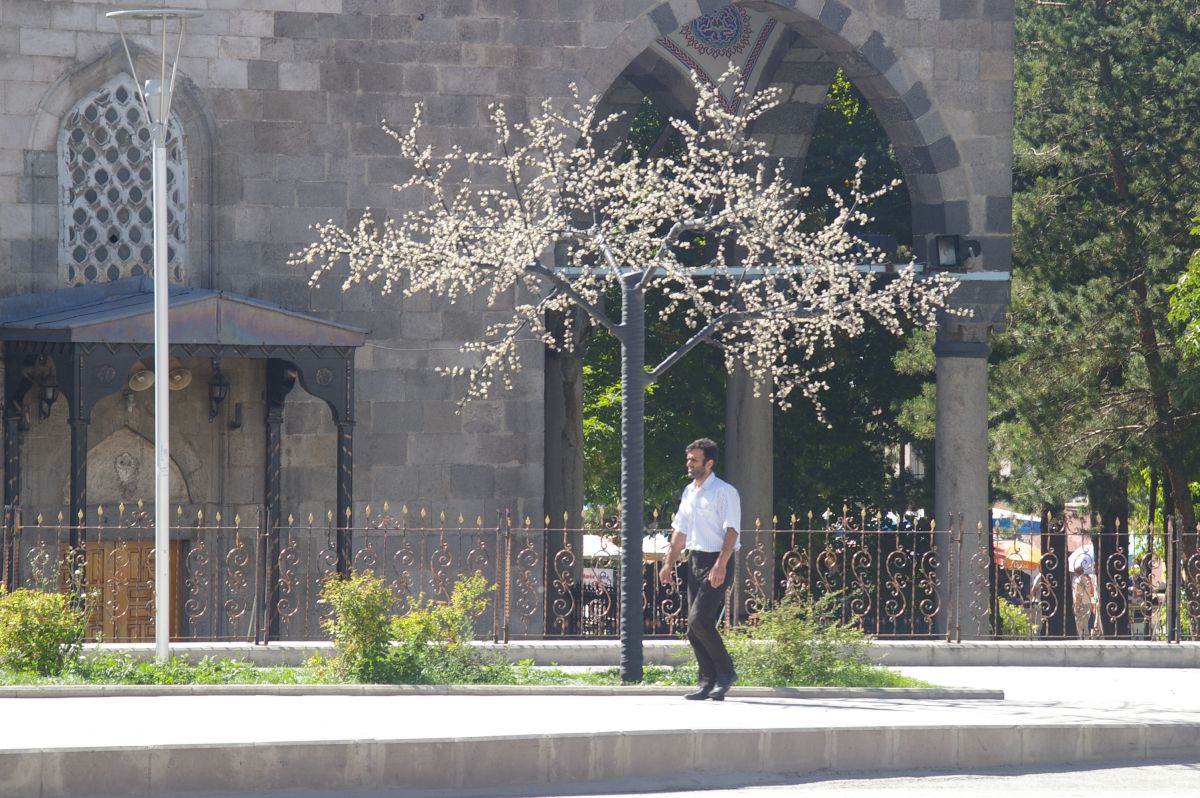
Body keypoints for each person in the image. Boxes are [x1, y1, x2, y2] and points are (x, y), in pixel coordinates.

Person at [659, 438, 741, 701]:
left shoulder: (724, 492)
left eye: (694, 460)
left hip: (718, 560)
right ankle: (707, 681)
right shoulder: (689, 492)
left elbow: (731, 531)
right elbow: (680, 531)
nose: (689, 463)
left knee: (699, 620)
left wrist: (721, 564)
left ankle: (726, 672)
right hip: (695, 559)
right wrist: (669, 563)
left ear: (709, 462)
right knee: (693, 628)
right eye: (688, 459)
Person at [1067, 538, 1096, 639]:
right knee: (1086, 622)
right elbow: (1093, 592)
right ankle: (1087, 637)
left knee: (1079, 622)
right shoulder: (1089, 579)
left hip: (1080, 603)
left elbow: (1077, 593)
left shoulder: (1078, 580)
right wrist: (1093, 603)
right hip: (1088, 602)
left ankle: (1081, 637)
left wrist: (1076, 603)